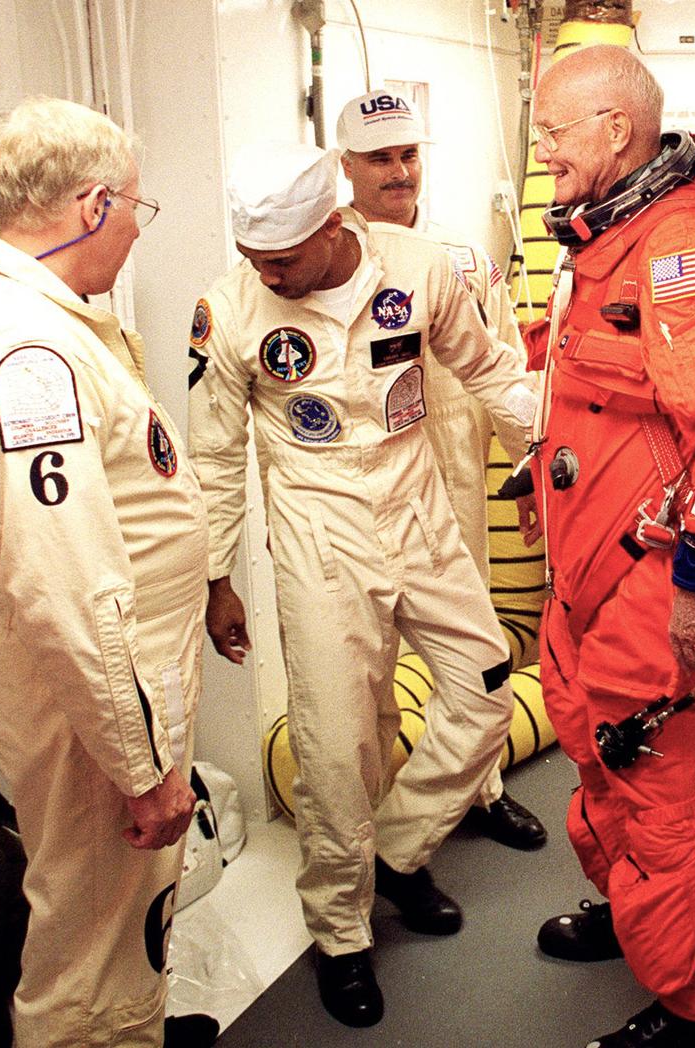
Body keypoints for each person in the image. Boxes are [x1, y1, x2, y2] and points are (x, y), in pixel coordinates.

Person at [187, 140, 539, 1029]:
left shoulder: (418, 271)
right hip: (319, 543)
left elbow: (491, 368)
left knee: (487, 688)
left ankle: (400, 850)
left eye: (283, 258)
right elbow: (217, 453)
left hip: (419, 516)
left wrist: (544, 456)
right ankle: (342, 934)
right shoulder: (230, 312)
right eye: (254, 259)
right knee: (338, 747)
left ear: (333, 224)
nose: (267, 273)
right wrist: (215, 578)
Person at [521, 45, 695, 1048]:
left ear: (613, 131)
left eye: (553, 131)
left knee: (661, 795)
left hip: (649, 582)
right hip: (587, 571)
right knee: (597, 756)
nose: (541, 148)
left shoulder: (680, 249)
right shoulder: (612, 234)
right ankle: (635, 914)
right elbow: (606, 399)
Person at [0, 97, 218, 1048]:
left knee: (119, 931)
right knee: (88, 954)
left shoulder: (44, 316)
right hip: (90, 708)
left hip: (109, 689)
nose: (137, 227)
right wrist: (141, 769)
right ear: (93, 205)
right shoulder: (28, 353)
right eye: (137, 206)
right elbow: (68, 584)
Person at [334, 88, 546, 851]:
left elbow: (507, 367)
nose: (399, 172)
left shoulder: (463, 259)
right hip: (360, 491)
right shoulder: (328, 261)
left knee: (475, 650)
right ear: (346, 165)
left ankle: (479, 790)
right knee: (370, 665)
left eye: (408, 155)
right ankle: (381, 818)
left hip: (452, 473)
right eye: (380, 158)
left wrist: (527, 464)